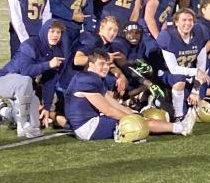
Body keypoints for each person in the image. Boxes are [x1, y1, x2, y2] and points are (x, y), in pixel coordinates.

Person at [65, 50, 194, 140]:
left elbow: (113, 103)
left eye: (107, 64)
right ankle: (180, 127)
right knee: (140, 123)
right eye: (101, 64)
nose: (105, 67)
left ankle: (178, 127)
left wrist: (132, 113)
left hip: (88, 123)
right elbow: (108, 111)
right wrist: (134, 118)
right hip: (88, 127)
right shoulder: (87, 80)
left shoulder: (91, 77)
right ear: (91, 65)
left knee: (137, 117)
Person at [0, 21, 66, 138]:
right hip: (4, 81)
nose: (55, 35)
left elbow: (50, 82)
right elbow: (26, 71)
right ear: (45, 31)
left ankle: (3, 110)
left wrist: (46, 107)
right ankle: (22, 124)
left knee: (35, 125)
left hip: (25, 90)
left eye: (58, 32)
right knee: (25, 80)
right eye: (52, 31)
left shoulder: (56, 52)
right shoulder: (30, 44)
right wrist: (49, 64)